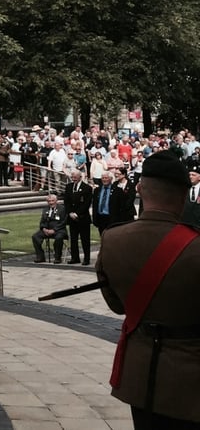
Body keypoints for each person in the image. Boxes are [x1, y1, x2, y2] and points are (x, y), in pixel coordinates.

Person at [97, 149, 200, 430]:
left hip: (139, 374)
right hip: (191, 378)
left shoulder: (113, 239)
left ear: (140, 189)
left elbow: (118, 305)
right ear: (184, 194)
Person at [63, 169, 93, 265]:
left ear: (80, 177)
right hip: (71, 218)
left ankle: (86, 258)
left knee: (85, 239)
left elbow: (86, 203)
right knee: (73, 239)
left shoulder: (87, 187)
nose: (73, 179)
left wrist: (77, 214)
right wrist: (70, 213)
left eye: (75, 177)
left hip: (83, 218)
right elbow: (66, 201)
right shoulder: (69, 187)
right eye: (72, 177)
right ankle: (75, 258)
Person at [31, 194, 68, 263]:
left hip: (59, 230)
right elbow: (42, 221)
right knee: (35, 236)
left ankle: (57, 257)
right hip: (47, 230)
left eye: (52, 201)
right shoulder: (45, 209)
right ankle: (40, 256)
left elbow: (63, 222)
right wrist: (44, 229)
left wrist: (54, 230)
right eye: (49, 201)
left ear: (56, 201)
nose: (51, 203)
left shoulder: (62, 209)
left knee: (59, 238)